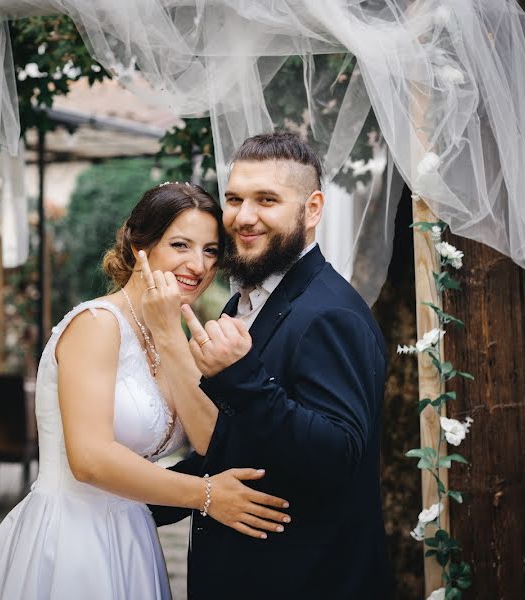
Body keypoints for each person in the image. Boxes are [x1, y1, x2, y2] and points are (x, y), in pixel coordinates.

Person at [0, 182, 290, 600]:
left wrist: (170, 333)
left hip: (134, 539)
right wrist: (205, 495)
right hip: (72, 540)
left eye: (210, 251)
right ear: (140, 245)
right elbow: (90, 460)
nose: (198, 264)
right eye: (181, 245)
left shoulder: (172, 335)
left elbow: (210, 440)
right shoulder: (97, 324)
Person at [147, 133, 392, 599]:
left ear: (312, 209)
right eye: (235, 199)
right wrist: (138, 502)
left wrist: (240, 376)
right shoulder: (247, 304)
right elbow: (238, 449)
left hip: (307, 582)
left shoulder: (330, 313)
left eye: (267, 200)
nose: (243, 216)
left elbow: (337, 455)